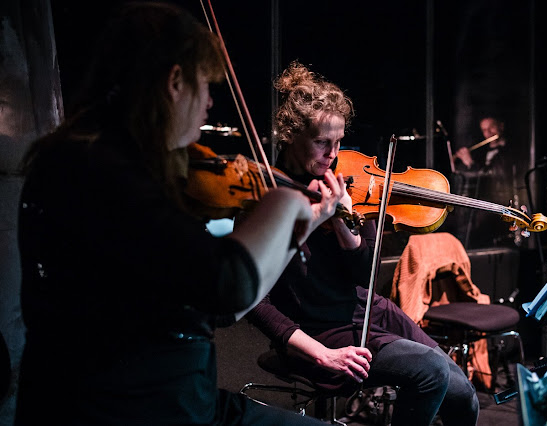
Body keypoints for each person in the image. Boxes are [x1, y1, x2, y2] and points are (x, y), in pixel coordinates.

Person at [15, 3, 341, 425]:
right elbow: (226, 284)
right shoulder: (98, 170)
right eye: (204, 85)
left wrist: (303, 227)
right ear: (174, 82)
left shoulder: (118, 162)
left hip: (179, 395)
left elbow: (223, 308)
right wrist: (283, 205)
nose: (209, 103)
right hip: (130, 409)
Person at [246, 62, 479, 426]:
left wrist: (344, 221)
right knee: (430, 371)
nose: (333, 154)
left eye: (338, 142)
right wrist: (321, 353)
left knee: (464, 396)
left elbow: (364, 275)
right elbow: (254, 302)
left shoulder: (347, 187)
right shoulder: (265, 199)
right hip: (318, 329)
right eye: (321, 142)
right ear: (291, 135)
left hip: (368, 311)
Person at [453, 116, 519, 248]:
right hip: (483, 203)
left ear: (501, 126)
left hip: (499, 204)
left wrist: (470, 163)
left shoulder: (508, 151)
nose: (488, 133)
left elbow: (491, 176)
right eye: (484, 130)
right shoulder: (482, 152)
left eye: (491, 127)